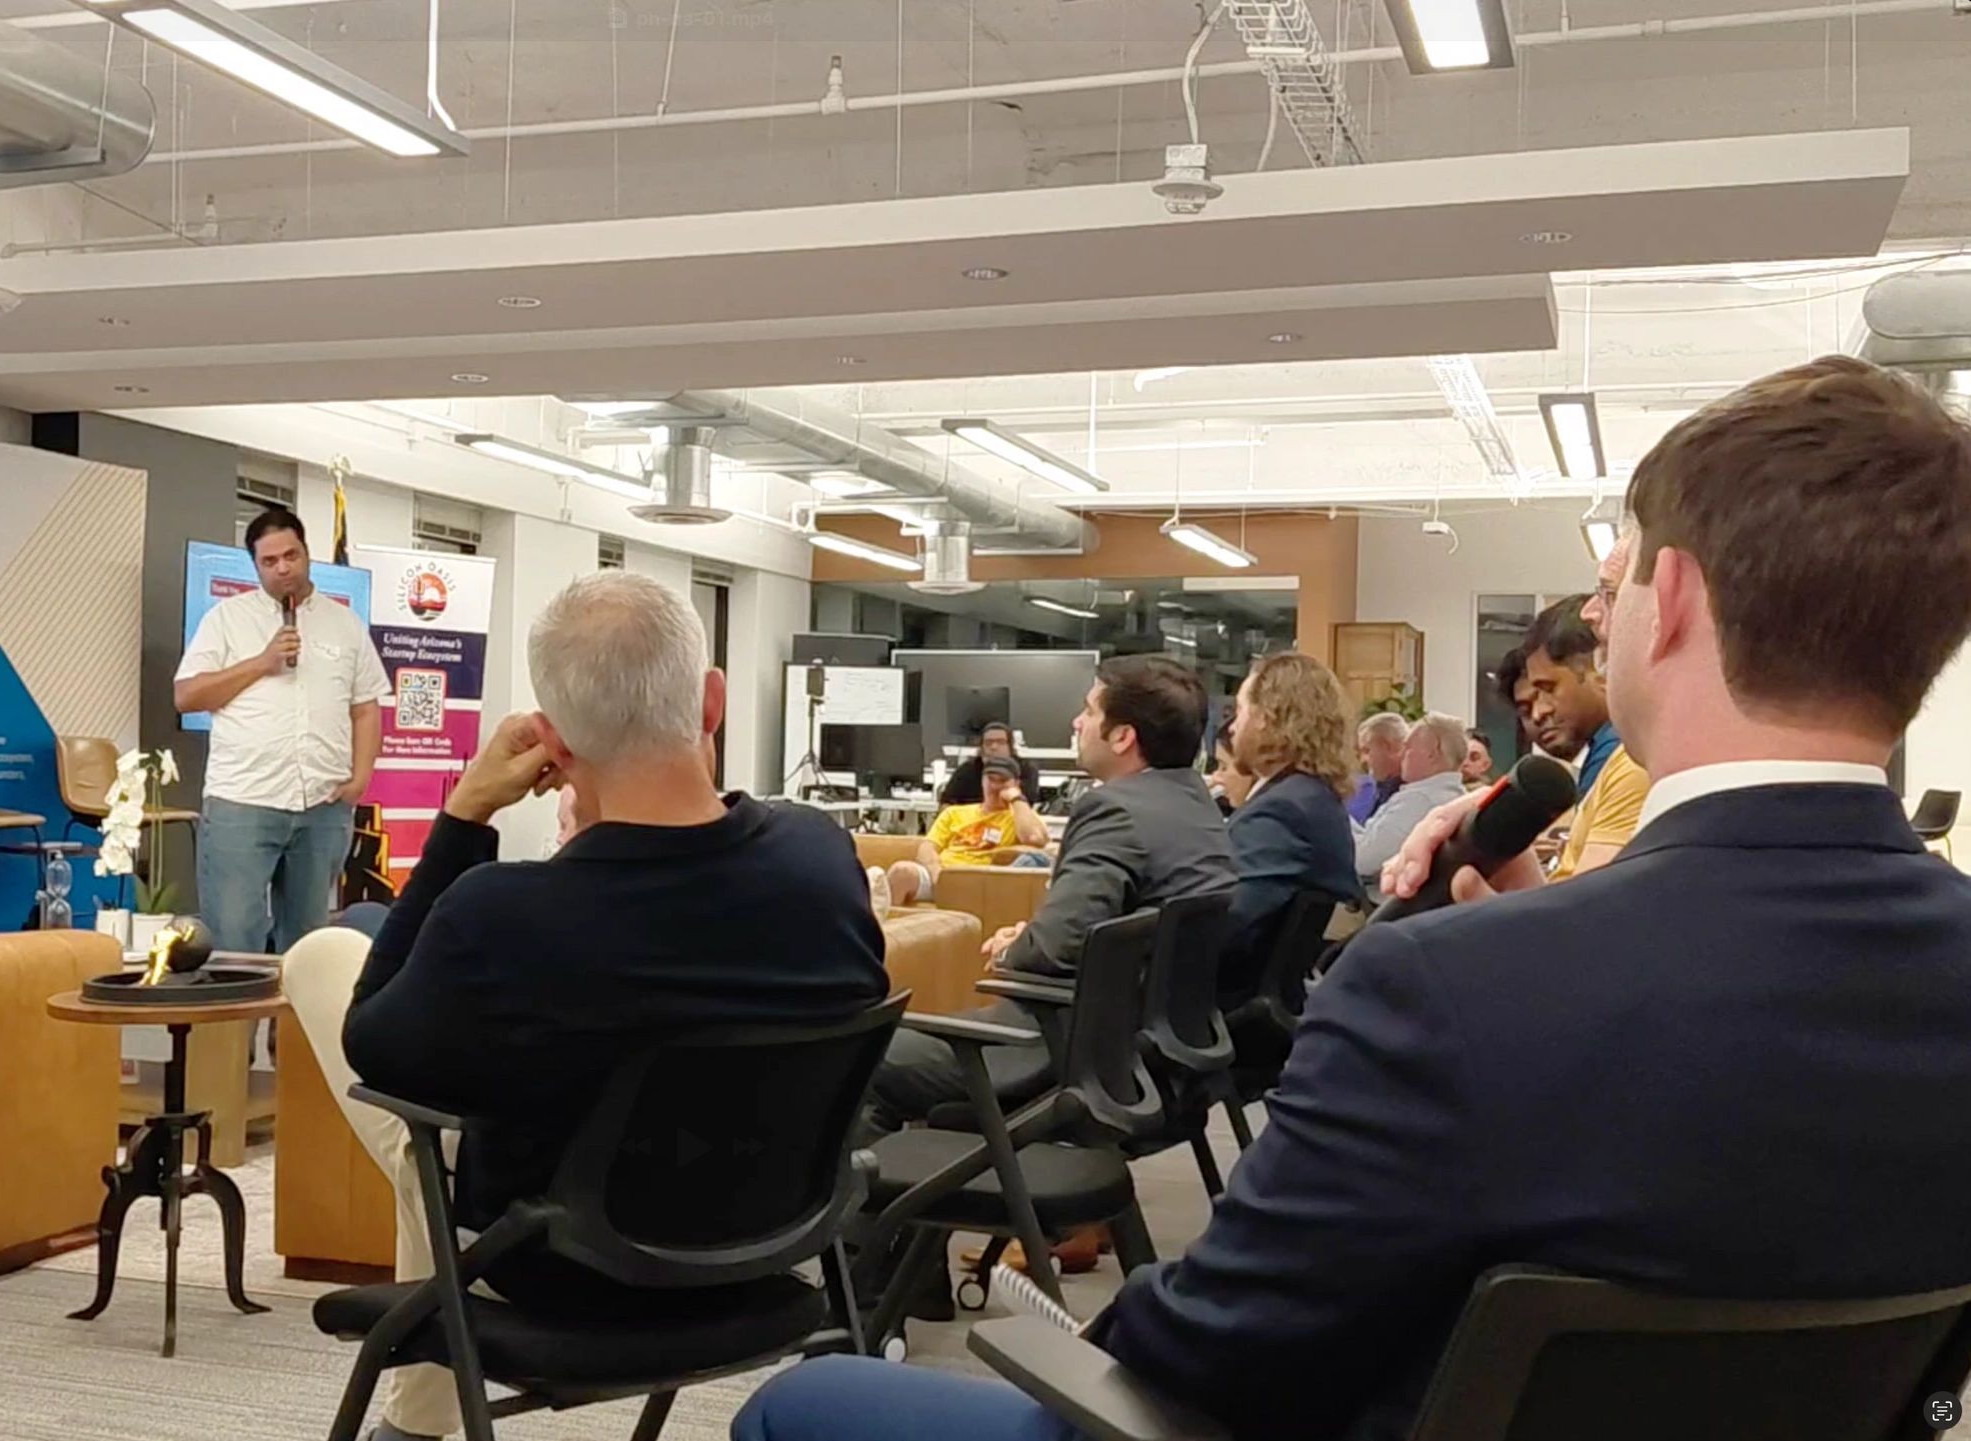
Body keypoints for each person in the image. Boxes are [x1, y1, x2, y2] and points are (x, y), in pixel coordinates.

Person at [734, 354, 1971, 1441]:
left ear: (1679, 602)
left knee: (801, 1404)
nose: (1604, 618)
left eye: (1616, 588)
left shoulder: (1444, 993)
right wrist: (1530, 921)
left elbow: (1208, 1356)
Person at [278, 572, 888, 1441]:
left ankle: (421, 1415)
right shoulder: (822, 860)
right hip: (773, 1246)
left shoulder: (502, 912)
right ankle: (417, 1417)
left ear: (552, 745)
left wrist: (464, 812)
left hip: (558, 1266)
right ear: (712, 702)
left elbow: (375, 1048)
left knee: (330, 961)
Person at [864, 656, 1236, 1140]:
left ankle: (874, 1207)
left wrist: (1014, 947)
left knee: (856, 1058)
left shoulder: (1114, 811)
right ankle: (912, 1201)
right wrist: (1039, 936)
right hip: (1151, 1058)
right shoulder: (1197, 808)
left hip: (1054, 1055)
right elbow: (1094, 931)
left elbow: (1052, 950)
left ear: (1123, 736)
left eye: (1089, 711)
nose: (1077, 723)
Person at [175, 504, 390, 952]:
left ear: (307, 553)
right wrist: (262, 662)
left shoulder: (344, 624)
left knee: (308, 945)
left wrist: (359, 780)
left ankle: (290, 1026)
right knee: (235, 941)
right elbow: (188, 696)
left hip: (323, 807)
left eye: (290, 555)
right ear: (254, 566)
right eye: (269, 562)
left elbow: (366, 707)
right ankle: (236, 1025)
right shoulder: (226, 619)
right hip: (243, 802)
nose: (282, 569)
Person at [1216, 653, 1363, 1007]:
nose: (1233, 727)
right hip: (1269, 998)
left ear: (1268, 719)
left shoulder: (1282, 810)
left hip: (1225, 1007)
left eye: (1241, 712)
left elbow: (1227, 925)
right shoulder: (1312, 797)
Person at [1524, 584, 1650, 879]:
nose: (1539, 712)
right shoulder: (1612, 751)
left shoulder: (1628, 755)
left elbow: (1589, 910)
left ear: (1598, 666)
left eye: (1549, 689)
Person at [1353, 713, 1473, 896]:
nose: (1401, 755)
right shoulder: (1451, 795)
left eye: (1408, 748)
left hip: (1381, 909)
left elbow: (1362, 860)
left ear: (1432, 754)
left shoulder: (1420, 801)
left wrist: (1331, 814)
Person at [915, 758, 1050, 878]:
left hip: (984, 882)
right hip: (945, 875)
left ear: (1016, 784)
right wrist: (938, 876)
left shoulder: (1021, 816)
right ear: (982, 781)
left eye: (1002, 781)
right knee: (903, 871)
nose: (995, 786)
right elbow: (927, 848)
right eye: (991, 779)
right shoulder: (953, 813)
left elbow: (1034, 839)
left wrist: (1017, 799)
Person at [937, 721, 1043, 806]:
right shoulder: (967, 770)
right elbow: (947, 802)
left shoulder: (1026, 769)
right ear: (981, 747)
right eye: (988, 743)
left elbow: (1027, 802)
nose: (994, 747)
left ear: (1010, 746)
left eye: (1000, 742)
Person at [1345, 712, 1408, 823]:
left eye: (1367, 751)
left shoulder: (1409, 792)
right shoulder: (1382, 787)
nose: (1363, 760)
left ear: (1388, 746)